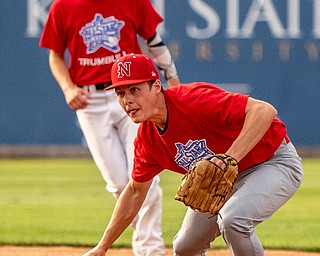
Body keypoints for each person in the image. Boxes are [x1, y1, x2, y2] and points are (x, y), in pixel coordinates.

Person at [82, 53, 303, 256]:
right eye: (120, 93)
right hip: (225, 180)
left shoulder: (192, 100)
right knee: (185, 247)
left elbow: (264, 111)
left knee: (233, 219)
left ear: (156, 86)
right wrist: (102, 247)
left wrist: (229, 158)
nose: (126, 100)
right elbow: (135, 192)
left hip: (273, 161)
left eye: (134, 90)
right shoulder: (147, 140)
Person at [39, 1, 180, 255]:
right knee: (118, 183)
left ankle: (150, 250)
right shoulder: (62, 6)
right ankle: (143, 242)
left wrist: (172, 78)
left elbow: (153, 40)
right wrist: (68, 88)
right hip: (89, 99)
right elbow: (55, 55)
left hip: (133, 92)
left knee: (143, 175)